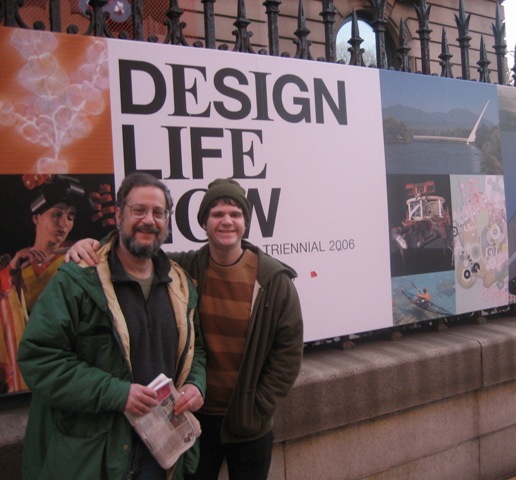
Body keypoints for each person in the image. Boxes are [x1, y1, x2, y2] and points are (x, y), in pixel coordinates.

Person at [67, 178, 304, 480]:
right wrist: (92, 245)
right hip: (193, 419)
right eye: (217, 214)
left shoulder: (274, 280)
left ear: (246, 221)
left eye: (235, 213)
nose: (226, 221)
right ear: (204, 222)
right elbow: (132, 250)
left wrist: (257, 407)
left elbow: (288, 353)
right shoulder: (182, 270)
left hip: (249, 424)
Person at [18, 172, 206, 480]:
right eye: (138, 210)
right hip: (93, 458)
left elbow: (195, 349)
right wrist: (117, 393)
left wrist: (195, 385)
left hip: (160, 457)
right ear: (118, 214)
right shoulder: (78, 278)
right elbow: (39, 358)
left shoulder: (181, 285)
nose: (149, 220)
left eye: (158, 213)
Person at [0, 175, 84, 393]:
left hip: (61, 362)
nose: (64, 223)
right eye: (57, 214)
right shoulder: (17, 264)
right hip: (19, 367)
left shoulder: (79, 257)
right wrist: (12, 272)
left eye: (70, 216)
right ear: (36, 217)